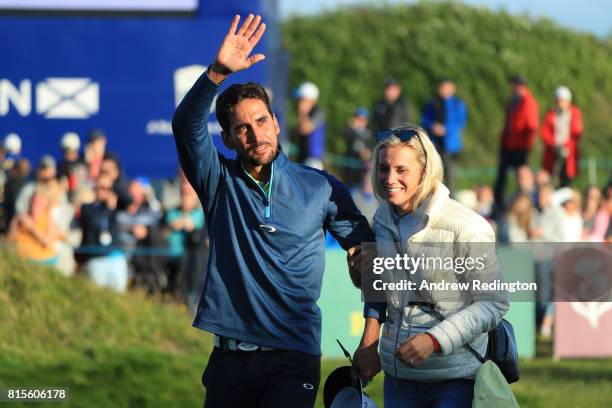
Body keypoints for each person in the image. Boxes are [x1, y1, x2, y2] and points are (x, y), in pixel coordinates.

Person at [171, 14, 373, 408]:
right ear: (228, 138)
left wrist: (371, 338)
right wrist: (216, 73)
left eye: (262, 120)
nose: (255, 133)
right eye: (242, 128)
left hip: (293, 357)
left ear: (277, 124)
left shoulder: (321, 185)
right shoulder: (217, 181)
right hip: (229, 358)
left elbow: (372, 257)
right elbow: (185, 125)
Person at [352, 126, 508, 407]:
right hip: (399, 379)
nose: (390, 179)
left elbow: (493, 304)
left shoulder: (467, 226)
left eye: (402, 170)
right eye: (383, 168)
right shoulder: (383, 219)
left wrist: (435, 340)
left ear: (425, 171)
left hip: (456, 380)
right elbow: (381, 289)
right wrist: (368, 341)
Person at [493, 75, 539, 216]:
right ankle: (499, 205)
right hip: (509, 144)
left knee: (522, 177)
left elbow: (531, 126)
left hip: (520, 146)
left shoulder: (528, 102)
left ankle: (524, 202)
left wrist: (527, 145)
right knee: (502, 177)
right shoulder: (514, 101)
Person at [79, 174, 128, 293]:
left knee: (119, 297)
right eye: (100, 187)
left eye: (107, 188)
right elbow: (91, 222)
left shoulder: (116, 207)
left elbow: (129, 199)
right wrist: (109, 209)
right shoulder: (87, 208)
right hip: (96, 259)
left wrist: (114, 190)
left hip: (115, 258)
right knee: (97, 296)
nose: (103, 191)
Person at [422, 79, 468, 194]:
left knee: (450, 175)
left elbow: (460, 122)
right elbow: (425, 120)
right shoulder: (432, 103)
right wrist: (433, 126)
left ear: (452, 89)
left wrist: (445, 129)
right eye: (441, 87)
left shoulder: (458, 104)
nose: (443, 90)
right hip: (435, 144)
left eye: (446, 87)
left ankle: (451, 199)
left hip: (450, 145)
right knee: (436, 175)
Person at [541, 86, 583, 188]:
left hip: (568, 154)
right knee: (552, 180)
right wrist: (554, 145)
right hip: (553, 154)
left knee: (566, 180)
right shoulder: (551, 114)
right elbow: (545, 133)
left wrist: (566, 146)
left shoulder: (574, 113)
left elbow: (576, 132)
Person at [294, 81, 326, 169]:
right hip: (303, 159)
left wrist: (302, 112)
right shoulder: (309, 114)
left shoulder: (318, 112)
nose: (298, 103)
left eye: (301, 100)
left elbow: (305, 129)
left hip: (312, 161)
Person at [344, 107, 372, 187]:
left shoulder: (369, 134)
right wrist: (351, 127)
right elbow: (345, 135)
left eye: (362, 119)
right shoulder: (350, 131)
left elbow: (371, 149)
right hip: (350, 165)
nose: (360, 122)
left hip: (362, 168)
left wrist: (368, 153)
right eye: (358, 118)